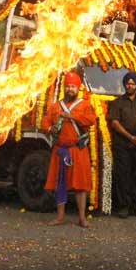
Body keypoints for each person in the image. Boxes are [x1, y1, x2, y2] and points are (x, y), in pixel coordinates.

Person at [42, 71, 96, 227]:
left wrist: (72, 116)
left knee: (81, 185)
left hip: (77, 150)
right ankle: (60, 217)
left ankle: (82, 218)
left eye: (73, 86)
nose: (70, 89)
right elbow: (45, 122)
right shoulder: (56, 106)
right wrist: (50, 129)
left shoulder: (85, 105)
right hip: (60, 150)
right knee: (60, 183)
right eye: (68, 86)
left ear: (78, 88)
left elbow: (91, 120)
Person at [108, 72, 136, 218]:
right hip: (122, 144)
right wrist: (129, 137)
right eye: (128, 83)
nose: (130, 86)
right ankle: (123, 207)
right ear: (124, 84)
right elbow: (114, 122)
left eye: (133, 84)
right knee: (123, 176)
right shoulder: (117, 102)